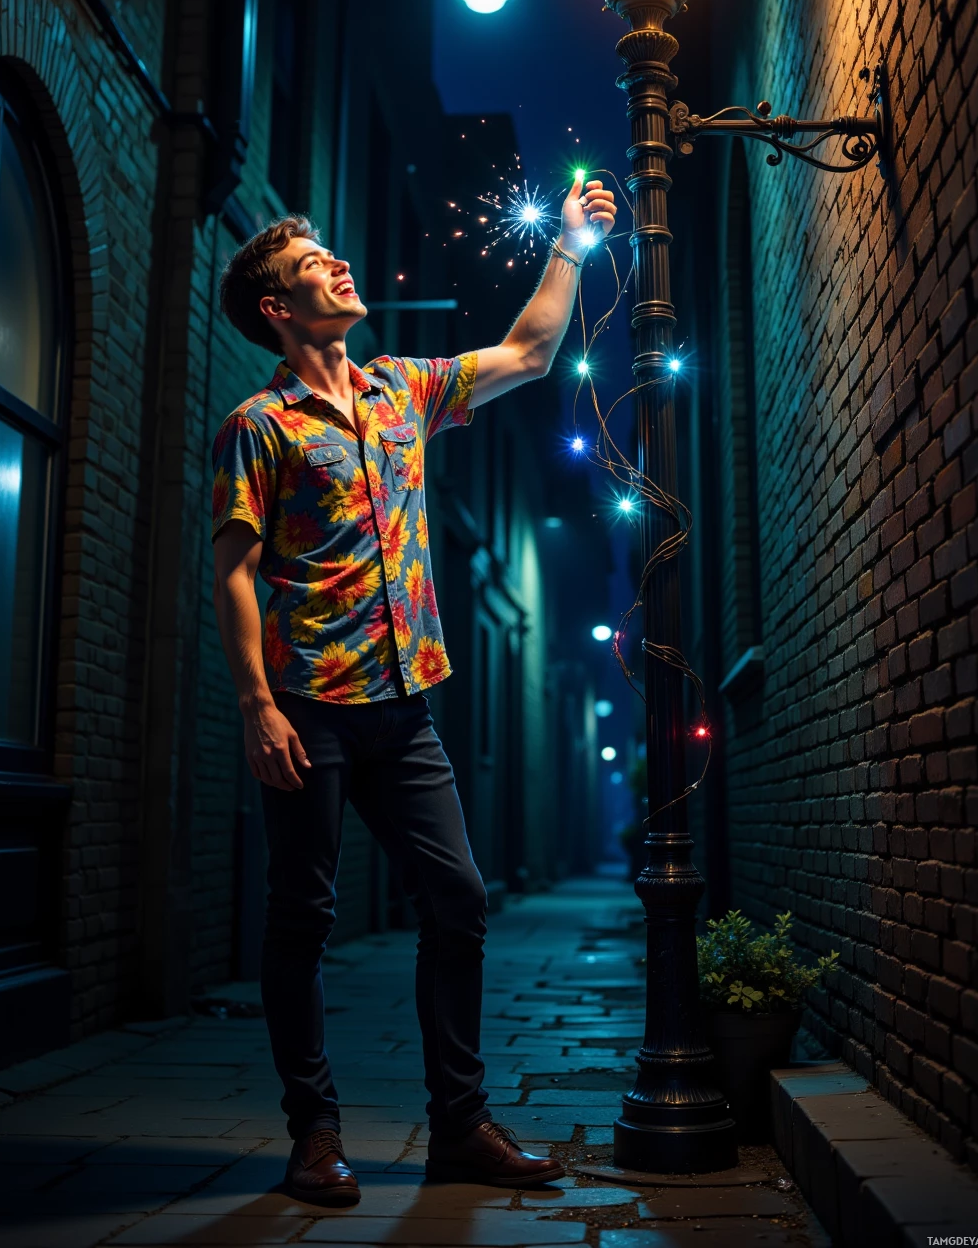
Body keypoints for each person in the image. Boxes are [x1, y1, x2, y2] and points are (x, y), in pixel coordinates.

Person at [211, 177, 617, 1205]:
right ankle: (314, 1136)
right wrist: (258, 705)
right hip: (308, 709)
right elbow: (231, 571)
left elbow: (527, 353)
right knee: (302, 915)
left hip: (405, 706)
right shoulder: (258, 426)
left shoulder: (401, 389)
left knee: (459, 897)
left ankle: (460, 1125)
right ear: (278, 310)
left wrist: (567, 247)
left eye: (332, 256)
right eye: (313, 267)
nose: (339, 265)